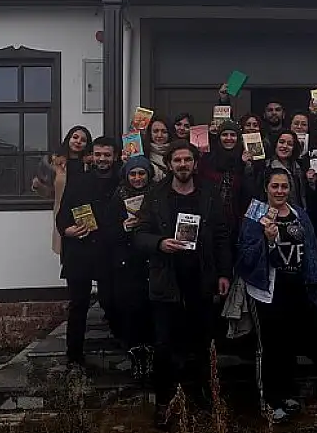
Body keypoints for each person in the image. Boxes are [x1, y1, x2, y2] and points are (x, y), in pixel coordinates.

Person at [133, 140, 232, 429]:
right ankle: (164, 402)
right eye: (177, 160)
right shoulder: (155, 195)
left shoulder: (209, 194)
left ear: (195, 163)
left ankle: (204, 396)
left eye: (187, 159)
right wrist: (160, 243)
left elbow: (222, 235)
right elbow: (139, 235)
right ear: (169, 164)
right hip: (167, 279)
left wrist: (224, 273)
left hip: (201, 278)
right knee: (165, 345)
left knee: (203, 342)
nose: (183, 165)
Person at [236, 168, 317, 423]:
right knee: (269, 346)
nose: (280, 191)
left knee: (289, 344)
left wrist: (315, 281)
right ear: (266, 188)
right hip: (267, 291)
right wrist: (267, 240)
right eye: (275, 186)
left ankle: (287, 393)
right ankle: (268, 399)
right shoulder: (256, 214)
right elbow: (245, 255)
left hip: (295, 287)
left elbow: (311, 249)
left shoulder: (299, 214)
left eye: (284, 186)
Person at [55, 136, 121, 367]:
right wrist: (67, 230)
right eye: (98, 154)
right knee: (78, 304)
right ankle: (73, 355)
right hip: (80, 249)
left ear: (115, 156)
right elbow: (62, 214)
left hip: (110, 250)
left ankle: (121, 342)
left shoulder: (123, 180)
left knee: (111, 299)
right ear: (92, 156)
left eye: (107, 155)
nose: (102, 159)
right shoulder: (79, 181)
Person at [106, 156, 155, 378]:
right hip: (127, 263)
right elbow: (107, 232)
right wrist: (123, 228)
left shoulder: (157, 195)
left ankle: (152, 357)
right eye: (133, 174)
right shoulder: (117, 197)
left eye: (141, 173)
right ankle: (136, 358)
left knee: (151, 311)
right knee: (130, 310)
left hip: (151, 261)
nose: (137, 178)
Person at [32, 126, 93, 255]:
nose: (78, 141)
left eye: (83, 140)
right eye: (75, 137)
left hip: (87, 211)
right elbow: (49, 193)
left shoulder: (91, 163)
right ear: (68, 139)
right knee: (67, 251)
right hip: (63, 212)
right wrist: (38, 186)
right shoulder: (55, 162)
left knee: (89, 249)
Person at [198, 120, 247, 252]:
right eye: (225, 135)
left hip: (236, 222)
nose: (229, 138)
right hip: (211, 220)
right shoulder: (208, 160)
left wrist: (246, 165)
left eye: (233, 135)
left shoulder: (244, 159)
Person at [142, 115, 173, 183]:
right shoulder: (142, 153)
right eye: (156, 131)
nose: (159, 135)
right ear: (150, 133)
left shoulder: (176, 152)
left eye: (164, 132)